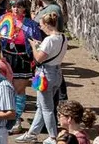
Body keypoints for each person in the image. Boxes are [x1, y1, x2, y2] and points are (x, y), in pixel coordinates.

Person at [20, 11, 66, 141]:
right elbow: (52, 53)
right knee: (41, 105)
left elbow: (38, 59)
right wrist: (40, 46)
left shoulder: (48, 40)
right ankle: (32, 133)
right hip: (56, 73)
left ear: (47, 25)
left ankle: (53, 136)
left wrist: (34, 46)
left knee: (47, 108)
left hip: (44, 75)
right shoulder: (63, 37)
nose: (40, 28)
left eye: (41, 25)